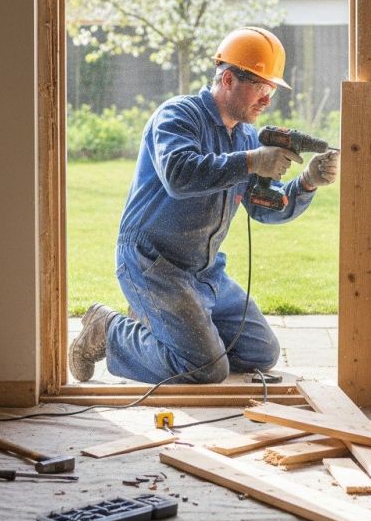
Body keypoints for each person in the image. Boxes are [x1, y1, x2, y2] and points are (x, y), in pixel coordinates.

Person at [68, 26, 340, 384]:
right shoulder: (178, 116)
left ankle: (170, 327)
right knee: (206, 369)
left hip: (205, 271)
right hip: (153, 265)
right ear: (228, 79)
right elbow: (179, 175)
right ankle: (107, 328)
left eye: (271, 90)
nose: (267, 100)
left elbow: (262, 207)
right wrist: (251, 162)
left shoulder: (245, 137)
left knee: (261, 353)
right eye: (261, 87)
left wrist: (307, 182)